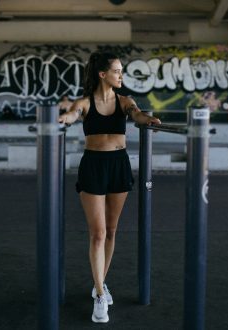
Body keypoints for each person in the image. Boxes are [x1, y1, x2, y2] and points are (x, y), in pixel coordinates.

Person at [58, 51, 161, 324]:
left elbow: (136, 115)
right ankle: (100, 295)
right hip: (93, 166)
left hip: (119, 165)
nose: (121, 75)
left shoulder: (125, 101)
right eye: (117, 71)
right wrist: (64, 119)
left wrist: (148, 120)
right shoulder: (85, 102)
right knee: (98, 233)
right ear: (103, 74)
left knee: (112, 230)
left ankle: (99, 282)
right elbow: (72, 114)